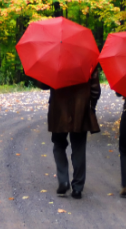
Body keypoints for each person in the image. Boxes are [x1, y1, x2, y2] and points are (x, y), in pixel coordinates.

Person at [42, 67, 101, 199]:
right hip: (80, 110)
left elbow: (43, 84)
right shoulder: (88, 59)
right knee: (79, 147)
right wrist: (91, 106)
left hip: (59, 110)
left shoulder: (54, 60)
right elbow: (95, 90)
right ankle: (77, 188)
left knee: (58, 145)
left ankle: (63, 180)